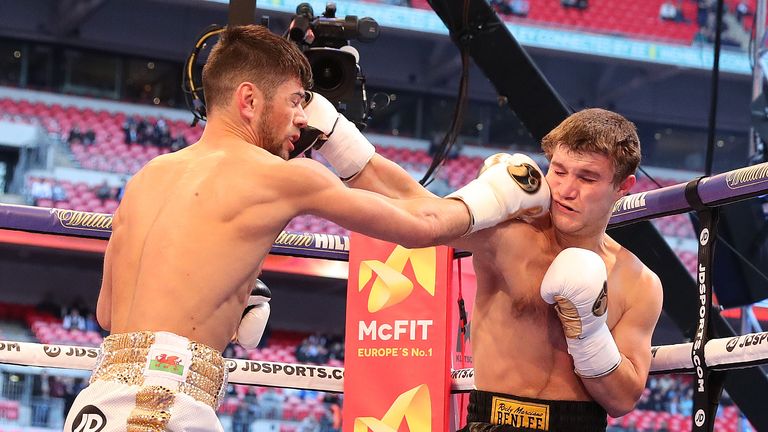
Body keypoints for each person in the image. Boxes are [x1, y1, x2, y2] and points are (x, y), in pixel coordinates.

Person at [63, 24, 546, 432]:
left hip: (98, 400)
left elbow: (109, 312)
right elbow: (423, 226)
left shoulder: (148, 176)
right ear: (248, 99)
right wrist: (502, 193)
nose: (303, 118)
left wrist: (230, 292)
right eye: (296, 101)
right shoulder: (280, 175)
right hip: (162, 405)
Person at [302, 94, 663, 431]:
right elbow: (414, 206)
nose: (567, 189)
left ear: (623, 186)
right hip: (493, 418)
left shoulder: (638, 283)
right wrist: (335, 135)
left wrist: (588, 332)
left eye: (587, 178)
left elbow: (622, 399)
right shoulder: (510, 236)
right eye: (559, 170)